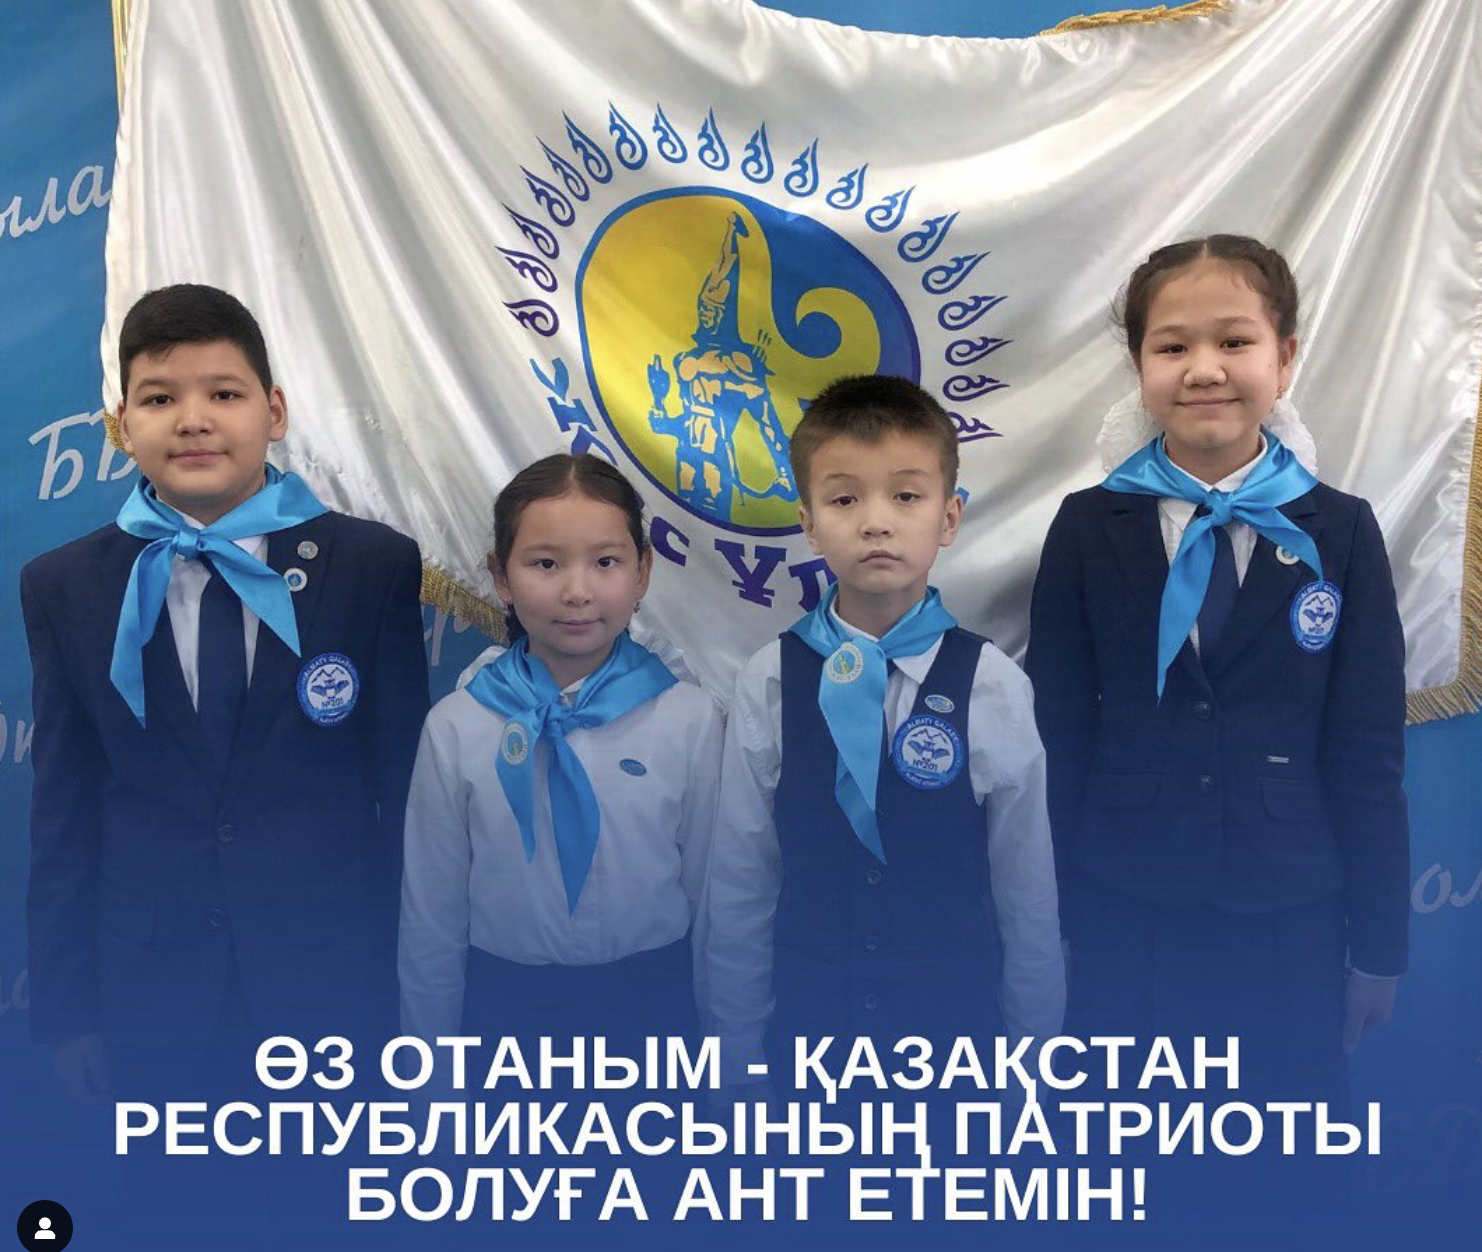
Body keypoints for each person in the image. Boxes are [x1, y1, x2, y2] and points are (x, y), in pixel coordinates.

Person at [20, 283, 430, 1100]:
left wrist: (411, 991)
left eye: (224, 394)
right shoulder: (65, 586)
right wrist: (68, 1012)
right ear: (123, 424)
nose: (193, 419)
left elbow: (407, 800)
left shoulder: (370, 567)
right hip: (149, 995)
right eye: (159, 399)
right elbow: (64, 811)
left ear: (274, 411)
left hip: (333, 985)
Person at [1025, 235, 1408, 1104]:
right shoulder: (1087, 526)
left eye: (1235, 341)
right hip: (1123, 901)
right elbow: (1060, 737)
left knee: (1283, 1150)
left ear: (1286, 357)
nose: (1205, 370)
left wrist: (1381, 947)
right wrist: (1052, 926)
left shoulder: (1343, 530)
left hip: (1293, 909)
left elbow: (1367, 752)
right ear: (1139, 366)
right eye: (1173, 346)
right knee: (1125, 1142)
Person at [702, 375, 1066, 1089]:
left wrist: (1032, 1063)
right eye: (844, 500)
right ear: (809, 524)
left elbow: (1027, 890)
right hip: (806, 1045)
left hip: (955, 1050)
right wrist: (735, 1054)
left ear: (949, 517)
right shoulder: (770, 679)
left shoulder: (992, 684)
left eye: (906, 496)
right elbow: (742, 881)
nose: (876, 522)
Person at [398, 453, 724, 1053]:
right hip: (503, 1011)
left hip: (655, 1005)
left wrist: (729, 1050)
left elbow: (715, 900)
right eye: (545, 564)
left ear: (643, 572)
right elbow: (431, 913)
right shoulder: (458, 726)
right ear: (501, 577)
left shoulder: (689, 719)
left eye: (606, 562)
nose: (577, 592)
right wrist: (431, 1070)